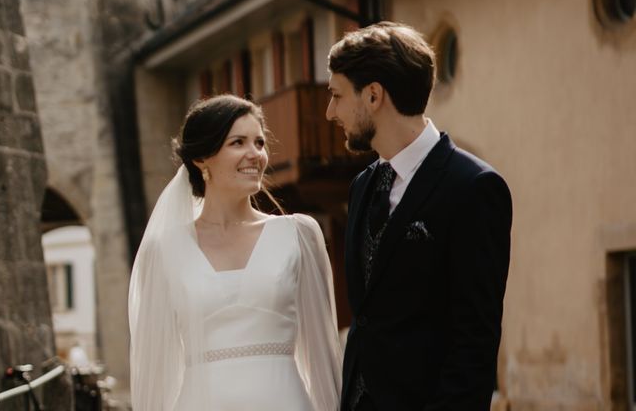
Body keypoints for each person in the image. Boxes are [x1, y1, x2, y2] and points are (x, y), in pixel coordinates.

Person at [326, 22, 512, 410]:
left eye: (337, 96)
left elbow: (474, 342)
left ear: (373, 95)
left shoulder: (473, 188)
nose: (330, 112)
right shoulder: (362, 186)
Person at [128, 95, 342, 411]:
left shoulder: (298, 235)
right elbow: (155, 369)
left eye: (259, 143)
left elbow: (323, 356)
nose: (255, 154)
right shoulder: (164, 251)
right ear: (202, 159)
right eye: (238, 142)